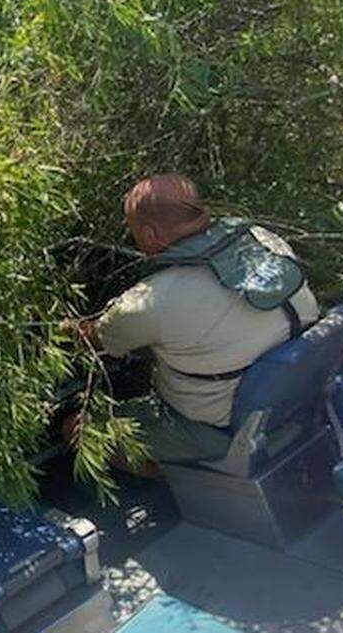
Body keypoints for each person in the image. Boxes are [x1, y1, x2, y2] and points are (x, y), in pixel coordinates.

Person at [70, 173, 319, 464]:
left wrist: (66, 328)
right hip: (296, 394)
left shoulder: (153, 300)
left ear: (150, 235)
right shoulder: (261, 239)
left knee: (77, 429)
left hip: (219, 428)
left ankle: (176, 478)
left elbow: (94, 342)